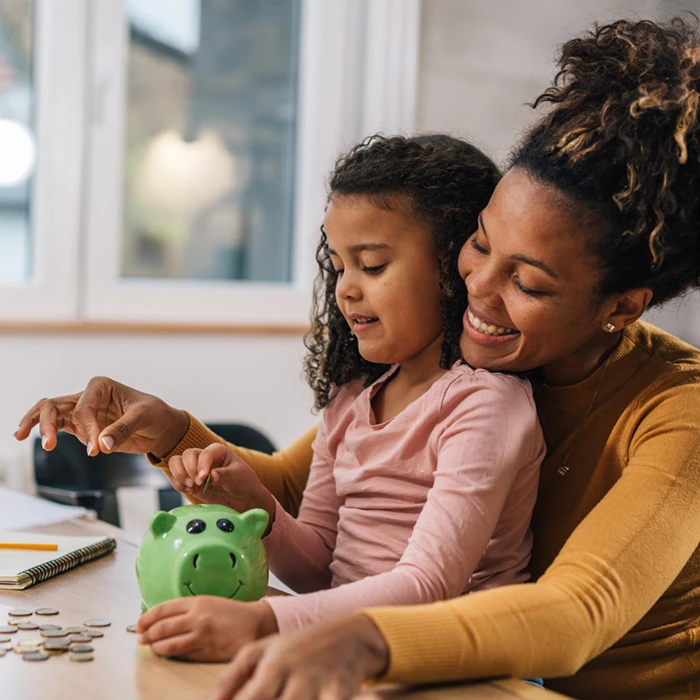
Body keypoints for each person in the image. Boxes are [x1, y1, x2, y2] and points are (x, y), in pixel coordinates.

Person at [14, 16, 700, 700]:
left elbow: (575, 612)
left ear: (622, 307)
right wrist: (166, 433)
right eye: (480, 243)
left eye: (527, 282)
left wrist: (341, 632)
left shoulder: (679, 412)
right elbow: (302, 490)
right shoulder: (462, 364)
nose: (477, 288)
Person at [17, 135, 546, 661]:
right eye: (339, 267)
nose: (346, 290)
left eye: (374, 265)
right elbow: (321, 573)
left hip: (464, 668)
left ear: (457, 266)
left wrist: (261, 620)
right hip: (356, 651)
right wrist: (254, 506)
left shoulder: (484, 405)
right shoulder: (353, 401)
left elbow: (428, 586)